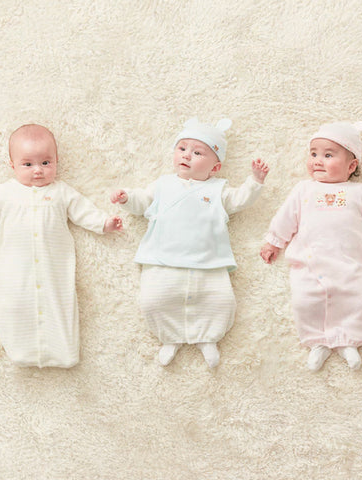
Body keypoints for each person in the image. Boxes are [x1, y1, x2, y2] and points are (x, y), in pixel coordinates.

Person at [0, 124, 123, 368]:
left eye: (46, 163)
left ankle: (64, 353)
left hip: (53, 269)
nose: (38, 170)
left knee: (59, 306)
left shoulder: (61, 192)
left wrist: (104, 223)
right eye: (28, 164)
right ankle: (21, 352)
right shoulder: (6, 192)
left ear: (56, 161)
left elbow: (83, 210)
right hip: (16, 271)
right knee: (15, 307)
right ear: (12, 165)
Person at [111, 117, 269, 367]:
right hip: (162, 258)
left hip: (208, 260)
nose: (186, 155)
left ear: (215, 168)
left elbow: (240, 199)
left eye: (197, 152)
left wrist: (255, 181)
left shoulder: (218, 189)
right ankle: (170, 337)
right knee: (155, 299)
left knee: (220, 300)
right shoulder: (162, 184)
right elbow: (143, 202)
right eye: (182, 148)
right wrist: (127, 198)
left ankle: (207, 338)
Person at [260, 122, 362, 371]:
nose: (317, 160)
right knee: (306, 301)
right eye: (313, 153)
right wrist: (274, 241)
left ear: (351, 166)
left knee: (360, 299)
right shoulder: (303, 189)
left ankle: (348, 341)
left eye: (328, 155)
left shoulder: (361, 192)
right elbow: (286, 217)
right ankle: (318, 342)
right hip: (310, 264)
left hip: (350, 264)